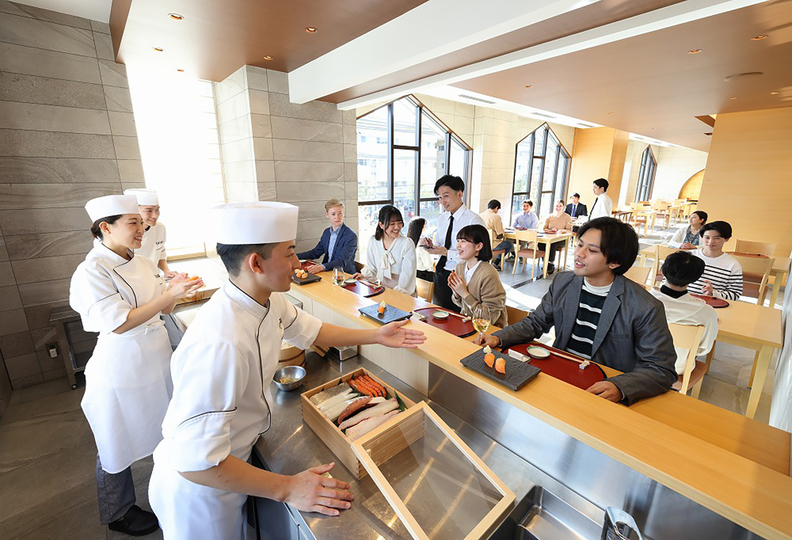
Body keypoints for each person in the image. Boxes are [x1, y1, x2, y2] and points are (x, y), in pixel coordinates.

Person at [148, 202, 425, 539]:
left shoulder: (265, 298)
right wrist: (287, 488)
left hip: (233, 461)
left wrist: (377, 335)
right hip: (201, 495)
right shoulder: (221, 343)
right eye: (290, 253)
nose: (298, 263)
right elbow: (196, 463)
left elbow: (315, 331)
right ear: (256, 263)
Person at [69, 195, 202, 536]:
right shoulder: (92, 270)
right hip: (121, 367)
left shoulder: (142, 263)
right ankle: (119, 511)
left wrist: (179, 292)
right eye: (133, 222)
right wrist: (167, 296)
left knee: (167, 425)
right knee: (115, 439)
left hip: (156, 360)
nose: (143, 228)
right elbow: (119, 322)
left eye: (141, 222)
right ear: (105, 227)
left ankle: (176, 485)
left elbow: (164, 310)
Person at [477, 217, 677, 404]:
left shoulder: (644, 306)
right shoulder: (564, 282)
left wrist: (620, 386)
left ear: (614, 262)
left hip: (603, 390)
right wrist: (499, 337)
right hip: (560, 375)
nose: (579, 254)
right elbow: (536, 322)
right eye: (580, 244)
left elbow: (661, 368)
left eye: (592, 250)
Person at [420, 175, 485, 311]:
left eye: (446, 196)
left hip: (462, 279)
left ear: (460, 193)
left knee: (457, 319)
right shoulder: (443, 218)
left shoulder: (474, 220)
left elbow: (479, 256)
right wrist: (431, 245)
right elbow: (440, 244)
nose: (442, 201)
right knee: (438, 314)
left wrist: (446, 252)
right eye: (439, 197)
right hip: (441, 272)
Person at [650, 251, 718, 375]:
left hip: (637, 361)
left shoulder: (641, 299)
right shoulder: (706, 313)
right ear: (695, 279)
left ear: (662, 271)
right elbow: (704, 348)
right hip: (676, 368)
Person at [449, 225, 508, 327]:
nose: (458, 245)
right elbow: (461, 304)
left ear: (478, 246)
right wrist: (456, 292)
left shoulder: (489, 273)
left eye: (463, 241)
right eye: (458, 240)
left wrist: (464, 293)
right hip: (468, 324)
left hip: (490, 331)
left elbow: (488, 318)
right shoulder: (460, 267)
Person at [356, 205, 417, 296]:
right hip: (380, 291)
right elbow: (372, 268)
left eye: (399, 223)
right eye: (392, 224)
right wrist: (363, 275)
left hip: (402, 294)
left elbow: (407, 277)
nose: (397, 227)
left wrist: (393, 294)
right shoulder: (373, 241)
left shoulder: (407, 244)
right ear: (381, 225)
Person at [297, 198, 358, 275]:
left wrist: (321, 267)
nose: (337, 217)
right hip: (328, 272)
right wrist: (294, 256)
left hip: (344, 275)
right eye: (333, 214)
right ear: (327, 215)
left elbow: (342, 261)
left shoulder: (351, 236)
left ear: (344, 214)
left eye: (340, 213)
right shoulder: (326, 233)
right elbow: (315, 253)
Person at [124, 188, 176, 278]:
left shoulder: (160, 228)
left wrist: (166, 271)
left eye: (157, 209)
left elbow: (160, 254)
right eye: (149, 210)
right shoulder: (123, 235)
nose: (155, 215)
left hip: (154, 277)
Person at [687, 221, 743, 301]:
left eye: (717, 238)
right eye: (707, 237)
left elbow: (735, 295)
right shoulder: (688, 256)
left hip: (711, 307)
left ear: (727, 239)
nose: (710, 242)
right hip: (682, 303)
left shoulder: (733, 265)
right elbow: (669, 281)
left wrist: (713, 293)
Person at [479, 199, 514, 270]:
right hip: (492, 244)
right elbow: (500, 234)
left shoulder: (480, 215)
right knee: (509, 244)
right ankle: (496, 263)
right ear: (496, 207)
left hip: (481, 243)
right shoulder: (496, 217)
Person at [541, 199, 575, 274]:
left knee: (552, 244)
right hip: (550, 236)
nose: (558, 208)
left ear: (563, 207)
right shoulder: (550, 216)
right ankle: (545, 260)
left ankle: (551, 263)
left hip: (562, 239)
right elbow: (544, 228)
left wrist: (561, 230)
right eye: (557, 206)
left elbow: (569, 230)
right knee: (541, 243)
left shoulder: (567, 217)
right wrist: (549, 230)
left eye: (560, 206)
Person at [407, 217, 435, 282]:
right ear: (422, 227)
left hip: (414, 275)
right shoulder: (421, 245)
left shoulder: (408, 242)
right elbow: (429, 265)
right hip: (424, 276)